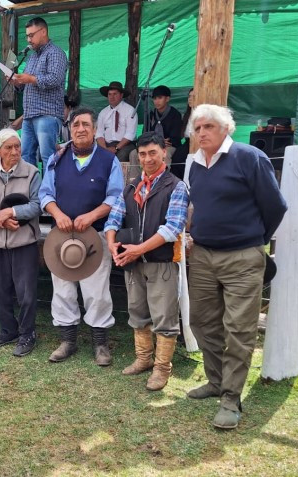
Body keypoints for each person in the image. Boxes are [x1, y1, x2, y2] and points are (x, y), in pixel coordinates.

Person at [186, 104, 288, 429]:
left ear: (225, 128)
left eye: (208, 127)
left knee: (239, 330)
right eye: (197, 127)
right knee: (201, 322)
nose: (201, 133)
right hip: (202, 255)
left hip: (243, 257)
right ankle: (215, 380)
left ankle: (230, 399)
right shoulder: (195, 164)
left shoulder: (249, 157)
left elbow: (275, 206)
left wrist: (253, 238)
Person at [39, 107, 124, 365]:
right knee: (62, 291)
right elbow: (45, 194)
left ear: (95, 129)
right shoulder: (57, 158)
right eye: (76, 125)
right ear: (70, 129)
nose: (81, 129)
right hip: (62, 238)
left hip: (94, 237)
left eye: (86, 124)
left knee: (97, 293)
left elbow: (116, 197)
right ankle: (68, 342)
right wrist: (58, 213)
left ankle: (100, 345)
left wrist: (92, 215)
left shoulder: (109, 161)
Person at [104, 132, 188, 391]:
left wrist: (137, 249)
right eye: (142, 154)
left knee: (164, 317)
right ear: (137, 156)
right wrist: (111, 244)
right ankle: (143, 359)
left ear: (164, 152)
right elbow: (114, 218)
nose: (148, 158)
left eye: (153, 152)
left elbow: (172, 228)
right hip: (133, 262)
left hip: (161, 262)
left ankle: (162, 368)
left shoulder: (176, 186)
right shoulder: (131, 187)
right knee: (138, 312)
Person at [0, 128, 42, 357]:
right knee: (1, 289)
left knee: (26, 293)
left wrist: (11, 212)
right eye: (9, 148)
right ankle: (7, 330)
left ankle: (27, 333)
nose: (15, 152)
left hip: (24, 241)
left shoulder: (31, 173)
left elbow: (37, 205)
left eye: (17, 146)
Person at [12, 16, 68, 166]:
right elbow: (25, 85)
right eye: (27, 36)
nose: (29, 40)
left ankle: (49, 190)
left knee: (48, 156)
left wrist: (30, 79)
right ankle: (31, 189)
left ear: (43, 31)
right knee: (25, 157)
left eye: (31, 35)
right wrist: (16, 82)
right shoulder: (31, 58)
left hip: (47, 114)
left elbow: (55, 79)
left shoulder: (56, 53)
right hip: (29, 116)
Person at [95, 81, 138, 163]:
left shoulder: (130, 110)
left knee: (121, 156)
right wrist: (105, 149)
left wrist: (116, 148)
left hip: (125, 145)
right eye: (109, 94)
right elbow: (99, 133)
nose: (112, 97)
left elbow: (130, 134)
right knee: (96, 155)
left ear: (121, 95)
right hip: (107, 144)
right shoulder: (103, 112)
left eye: (115, 94)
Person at [170, 88, 195, 178]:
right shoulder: (188, 114)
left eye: (194, 97)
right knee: (176, 159)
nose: (190, 99)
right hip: (188, 142)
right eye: (189, 96)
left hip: (197, 142)